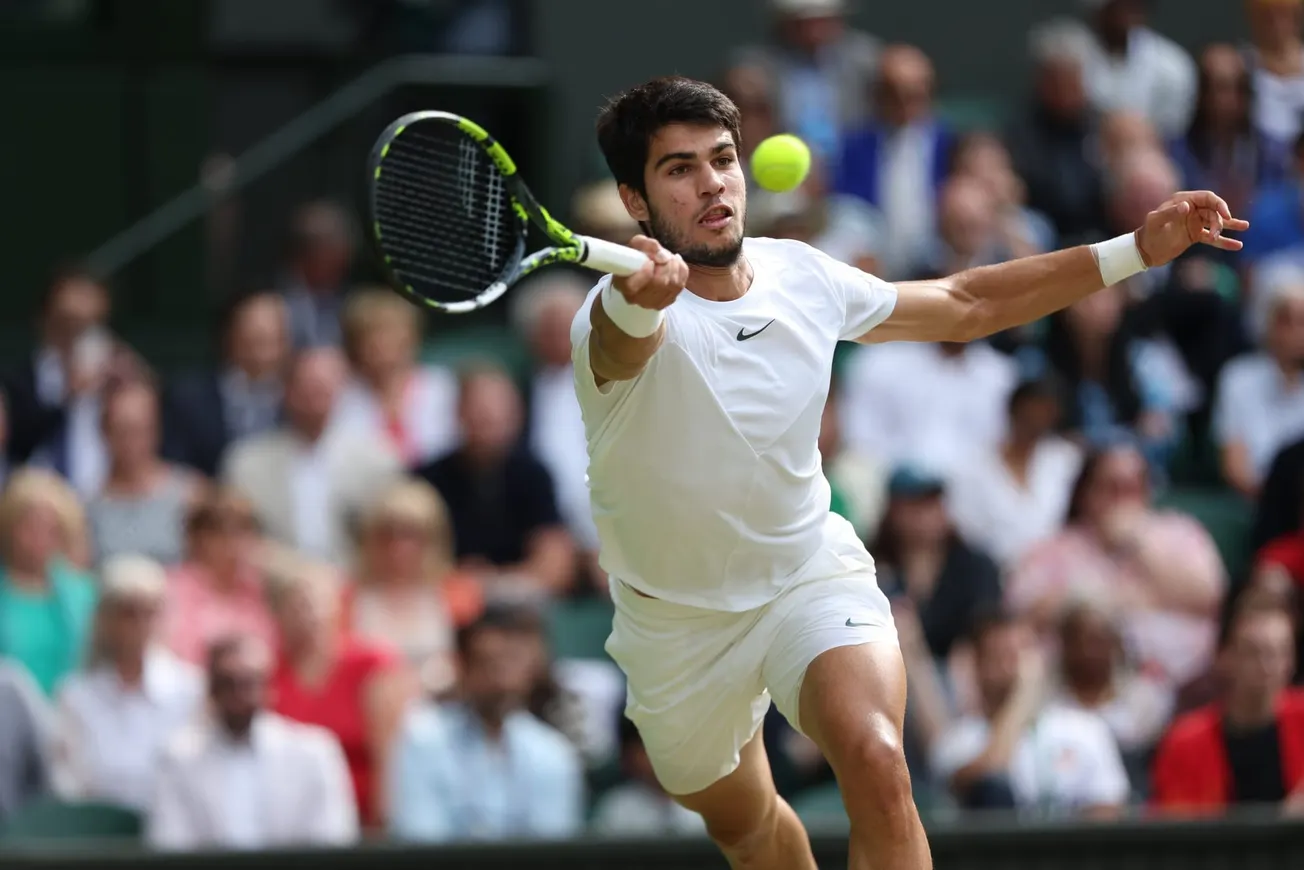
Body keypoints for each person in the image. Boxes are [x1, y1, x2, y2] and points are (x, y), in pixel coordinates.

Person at [576, 75, 1244, 870]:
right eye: (679, 169)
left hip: (804, 577)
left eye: (722, 159)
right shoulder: (611, 316)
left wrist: (1136, 250)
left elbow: (964, 301)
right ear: (636, 202)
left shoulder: (803, 276)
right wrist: (639, 304)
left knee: (879, 761)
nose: (713, 182)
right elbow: (623, 349)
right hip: (676, 629)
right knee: (751, 829)